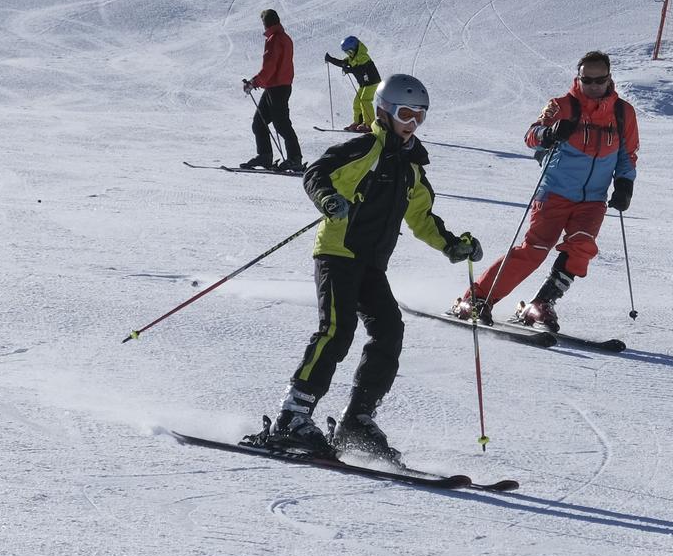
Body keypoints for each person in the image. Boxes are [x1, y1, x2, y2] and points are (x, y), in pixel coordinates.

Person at [249, 73, 485, 460]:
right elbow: (317, 174)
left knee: (389, 331)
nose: (412, 123)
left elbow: (422, 216)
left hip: (371, 264)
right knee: (337, 330)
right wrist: (327, 199)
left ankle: (356, 419)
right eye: (406, 113)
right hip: (337, 252)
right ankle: (293, 414)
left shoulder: (410, 167)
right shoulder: (365, 149)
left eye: (420, 116)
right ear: (384, 111)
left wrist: (452, 245)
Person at [450, 50, 639, 333]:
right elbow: (531, 136)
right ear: (579, 78)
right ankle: (477, 298)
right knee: (535, 251)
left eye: (600, 80)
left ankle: (541, 304)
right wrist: (550, 134)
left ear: (610, 78)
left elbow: (628, 154)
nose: (594, 86)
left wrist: (625, 184)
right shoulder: (562, 106)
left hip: (593, 200)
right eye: (588, 80)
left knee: (581, 248)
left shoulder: (623, 113)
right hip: (555, 193)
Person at [241, 9, 304, 172]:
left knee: (281, 124)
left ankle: (294, 158)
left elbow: (269, 67)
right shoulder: (285, 38)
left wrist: (254, 82)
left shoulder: (274, 39)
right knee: (260, 123)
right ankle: (265, 156)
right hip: (279, 86)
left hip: (277, 87)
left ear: (266, 23)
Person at [324, 35, 381, 132]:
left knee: (365, 100)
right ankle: (358, 122)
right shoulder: (352, 57)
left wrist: (349, 69)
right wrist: (330, 59)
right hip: (364, 83)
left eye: (349, 51)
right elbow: (343, 63)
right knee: (357, 102)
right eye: (347, 52)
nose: (348, 54)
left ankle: (370, 124)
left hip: (372, 82)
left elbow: (360, 69)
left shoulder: (363, 56)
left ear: (355, 48)